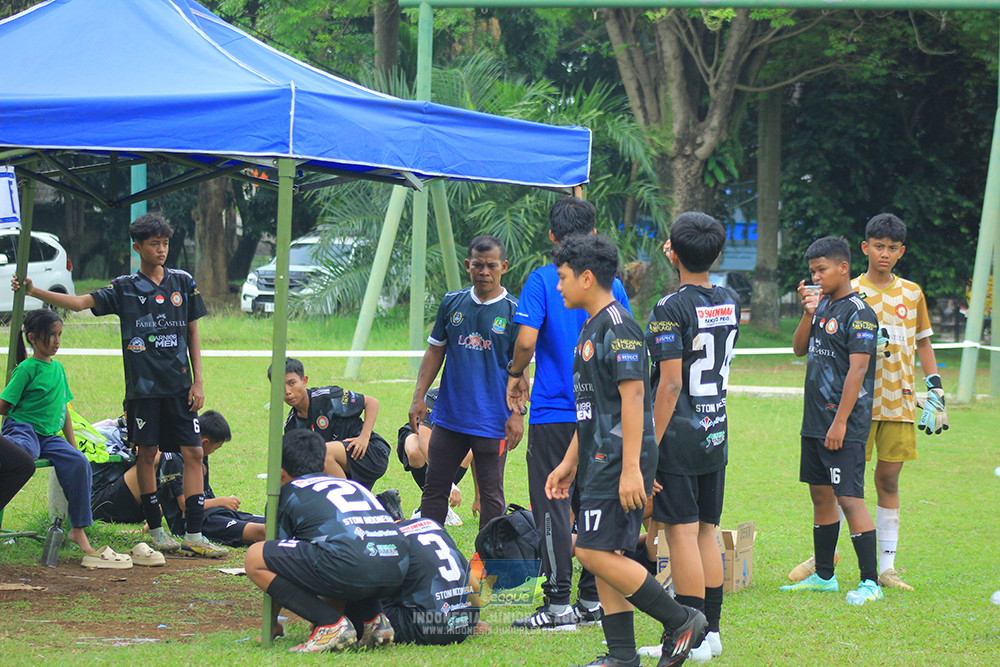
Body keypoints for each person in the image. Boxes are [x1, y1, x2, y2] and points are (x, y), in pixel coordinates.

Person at [13, 212, 225, 558]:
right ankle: (156, 530)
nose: (161, 249)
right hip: (143, 391)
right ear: (137, 246)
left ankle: (195, 533)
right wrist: (35, 290)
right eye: (154, 243)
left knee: (194, 452)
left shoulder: (183, 282)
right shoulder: (125, 287)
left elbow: (192, 332)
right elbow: (81, 303)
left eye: (166, 243)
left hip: (179, 388)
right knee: (147, 455)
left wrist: (198, 379)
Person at [545, 234, 706, 667]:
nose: (558, 286)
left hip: (617, 461)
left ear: (586, 277)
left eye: (562, 278)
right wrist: (567, 464)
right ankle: (622, 656)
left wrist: (632, 468)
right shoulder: (591, 324)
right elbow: (594, 409)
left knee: (590, 551)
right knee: (607, 554)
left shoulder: (618, 326)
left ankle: (681, 620)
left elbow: (635, 398)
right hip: (599, 457)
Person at [788, 214, 946, 591]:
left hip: (892, 401)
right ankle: (824, 566)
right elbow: (801, 348)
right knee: (831, 488)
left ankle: (880, 572)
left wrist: (935, 389)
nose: (885, 253)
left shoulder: (907, 294)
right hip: (838, 410)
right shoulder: (835, 294)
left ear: (901, 251)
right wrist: (809, 312)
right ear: (864, 249)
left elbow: (921, 341)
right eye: (879, 246)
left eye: (892, 247)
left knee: (875, 484)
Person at [506, 197, 631, 630]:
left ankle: (557, 604)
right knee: (593, 502)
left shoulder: (543, 279)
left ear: (552, 237)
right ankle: (593, 600)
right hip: (598, 414)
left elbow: (524, 341)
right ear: (594, 233)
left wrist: (516, 373)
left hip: (554, 410)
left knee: (553, 504)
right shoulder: (612, 284)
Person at [645, 212, 738, 662]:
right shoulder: (730, 299)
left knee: (680, 534)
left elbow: (669, 384)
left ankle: (691, 636)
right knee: (707, 530)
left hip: (678, 436)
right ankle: (712, 633)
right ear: (717, 253)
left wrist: (649, 446)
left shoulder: (669, 307)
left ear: (672, 252)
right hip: (714, 430)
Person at [780, 236, 883, 606]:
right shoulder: (822, 305)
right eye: (812, 272)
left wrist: (839, 423)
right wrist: (809, 312)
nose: (816, 277)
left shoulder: (860, 313)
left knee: (850, 498)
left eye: (821, 270)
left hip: (844, 425)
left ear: (843, 267)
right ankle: (824, 576)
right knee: (820, 496)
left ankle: (870, 582)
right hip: (814, 422)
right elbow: (799, 348)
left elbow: (858, 370)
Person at [244, 430, 409, 653]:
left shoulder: (287, 493)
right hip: (396, 568)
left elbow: (278, 563)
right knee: (343, 551)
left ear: (280, 471)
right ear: (323, 463)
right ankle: (374, 620)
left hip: (351, 565)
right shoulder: (354, 485)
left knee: (256, 555)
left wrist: (271, 624)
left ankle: (331, 624)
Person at [409, 235, 524, 532]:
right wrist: (419, 397)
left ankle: (486, 567)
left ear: (504, 267)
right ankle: (430, 554)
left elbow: (520, 369)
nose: (484, 271)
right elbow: (435, 350)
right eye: (478, 265)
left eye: (491, 266)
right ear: (467, 265)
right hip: (449, 418)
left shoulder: (515, 311)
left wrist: (516, 414)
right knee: (434, 490)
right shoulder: (452, 303)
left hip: (492, 421)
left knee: (491, 497)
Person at [0, 309, 130, 568]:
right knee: (25, 456)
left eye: (60, 334)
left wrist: (72, 446)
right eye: (52, 335)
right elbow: (4, 405)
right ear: (34, 338)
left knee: (79, 462)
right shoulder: (26, 369)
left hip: (50, 436)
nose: (58, 341)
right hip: (23, 430)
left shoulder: (58, 368)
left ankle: (78, 529)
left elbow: (65, 410)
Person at [91, 410, 265, 546]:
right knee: (263, 531)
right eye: (216, 448)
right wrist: (221, 501)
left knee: (270, 521)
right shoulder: (173, 457)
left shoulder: (200, 454)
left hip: (211, 511)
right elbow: (184, 506)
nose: (214, 452)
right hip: (197, 521)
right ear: (204, 442)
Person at [268, 357, 397, 514]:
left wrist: (364, 437)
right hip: (340, 469)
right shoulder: (292, 425)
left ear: (304, 381)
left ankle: (352, 512)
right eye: (279, 386)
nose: (287, 391)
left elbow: (372, 402)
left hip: (370, 452)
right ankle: (385, 506)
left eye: (292, 383)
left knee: (322, 452)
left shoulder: (327, 396)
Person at [383, 516, 481, 645]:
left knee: (364, 611)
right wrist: (473, 620)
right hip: (464, 622)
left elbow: (380, 588)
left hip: (423, 627)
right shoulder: (432, 524)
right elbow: (474, 585)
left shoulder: (388, 536)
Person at [396, 386, 468, 526]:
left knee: (468, 452)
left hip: (447, 436)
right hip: (419, 433)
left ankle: (428, 508)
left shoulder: (471, 398)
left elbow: (476, 445)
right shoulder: (434, 395)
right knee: (415, 450)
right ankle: (434, 501)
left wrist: (479, 496)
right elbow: (424, 441)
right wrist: (449, 485)